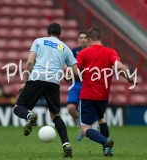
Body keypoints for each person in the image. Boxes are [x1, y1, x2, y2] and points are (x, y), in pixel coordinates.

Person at [13, 23, 79, 158]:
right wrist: (68, 77)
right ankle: (66, 144)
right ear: (60, 34)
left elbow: (30, 61)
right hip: (53, 82)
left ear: (47, 32)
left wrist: (26, 80)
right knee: (56, 115)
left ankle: (29, 116)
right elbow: (76, 72)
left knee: (18, 107)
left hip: (36, 78)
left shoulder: (38, 41)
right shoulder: (65, 48)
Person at [75, 27, 137, 156]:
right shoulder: (110, 52)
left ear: (89, 39)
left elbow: (75, 70)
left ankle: (105, 140)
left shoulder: (84, 53)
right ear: (101, 39)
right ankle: (107, 149)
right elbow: (119, 66)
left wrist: (69, 76)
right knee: (101, 119)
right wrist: (129, 78)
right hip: (103, 96)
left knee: (85, 128)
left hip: (88, 95)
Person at [66, 31, 93, 141]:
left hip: (88, 83)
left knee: (89, 108)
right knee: (71, 108)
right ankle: (81, 126)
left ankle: (91, 132)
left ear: (88, 39)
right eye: (81, 38)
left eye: (85, 38)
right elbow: (72, 66)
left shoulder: (92, 51)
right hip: (76, 82)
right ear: (78, 39)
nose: (83, 40)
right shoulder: (74, 51)